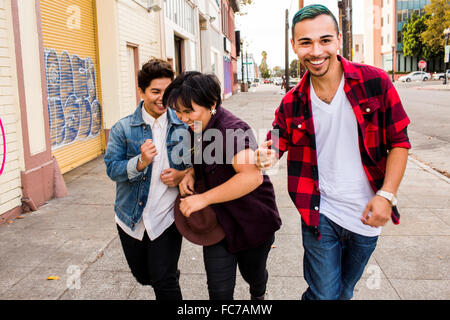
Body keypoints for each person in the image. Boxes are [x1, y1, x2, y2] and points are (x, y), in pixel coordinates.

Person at [256, 4, 411, 300]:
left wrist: (386, 195)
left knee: (343, 292)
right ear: (294, 46)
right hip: (320, 212)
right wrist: (268, 153)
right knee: (324, 295)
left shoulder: (375, 82)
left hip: (368, 213)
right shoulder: (292, 102)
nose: (316, 51)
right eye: (305, 42)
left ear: (339, 41)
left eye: (325, 40)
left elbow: (399, 142)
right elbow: (275, 141)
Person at [163, 71, 282, 300]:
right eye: (178, 111)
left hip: (251, 220)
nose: (182, 118)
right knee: (218, 292)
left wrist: (202, 198)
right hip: (218, 225)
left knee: (253, 275)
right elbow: (203, 161)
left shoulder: (232, 130)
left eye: (188, 111)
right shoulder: (197, 127)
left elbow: (252, 178)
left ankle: (259, 293)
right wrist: (189, 173)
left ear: (212, 104)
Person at [104, 59, 189, 300]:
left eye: (168, 91)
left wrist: (182, 174)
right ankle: (166, 272)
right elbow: (112, 169)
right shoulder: (123, 129)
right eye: (155, 91)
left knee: (164, 282)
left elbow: (198, 166)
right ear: (141, 91)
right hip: (131, 217)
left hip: (167, 217)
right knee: (144, 276)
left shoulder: (184, 125)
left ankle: (168, 274)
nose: (163, 98)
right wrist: (139, 162)